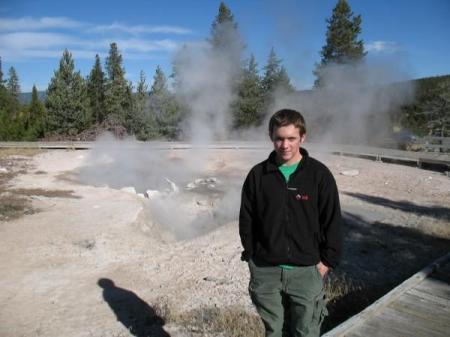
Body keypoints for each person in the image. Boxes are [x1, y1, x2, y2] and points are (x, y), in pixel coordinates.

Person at [239, 109, 342, 337]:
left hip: (306, 271)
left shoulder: (318, 175)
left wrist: (327, 262)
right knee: (273, 331)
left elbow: (332, 221)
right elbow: (247, 219)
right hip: (266, 271)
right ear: (271, 137)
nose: (285, 145)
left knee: (306, 331)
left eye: (291, 138)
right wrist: (253, 255)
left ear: (302, 137)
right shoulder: (258, 175)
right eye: (279, 138)